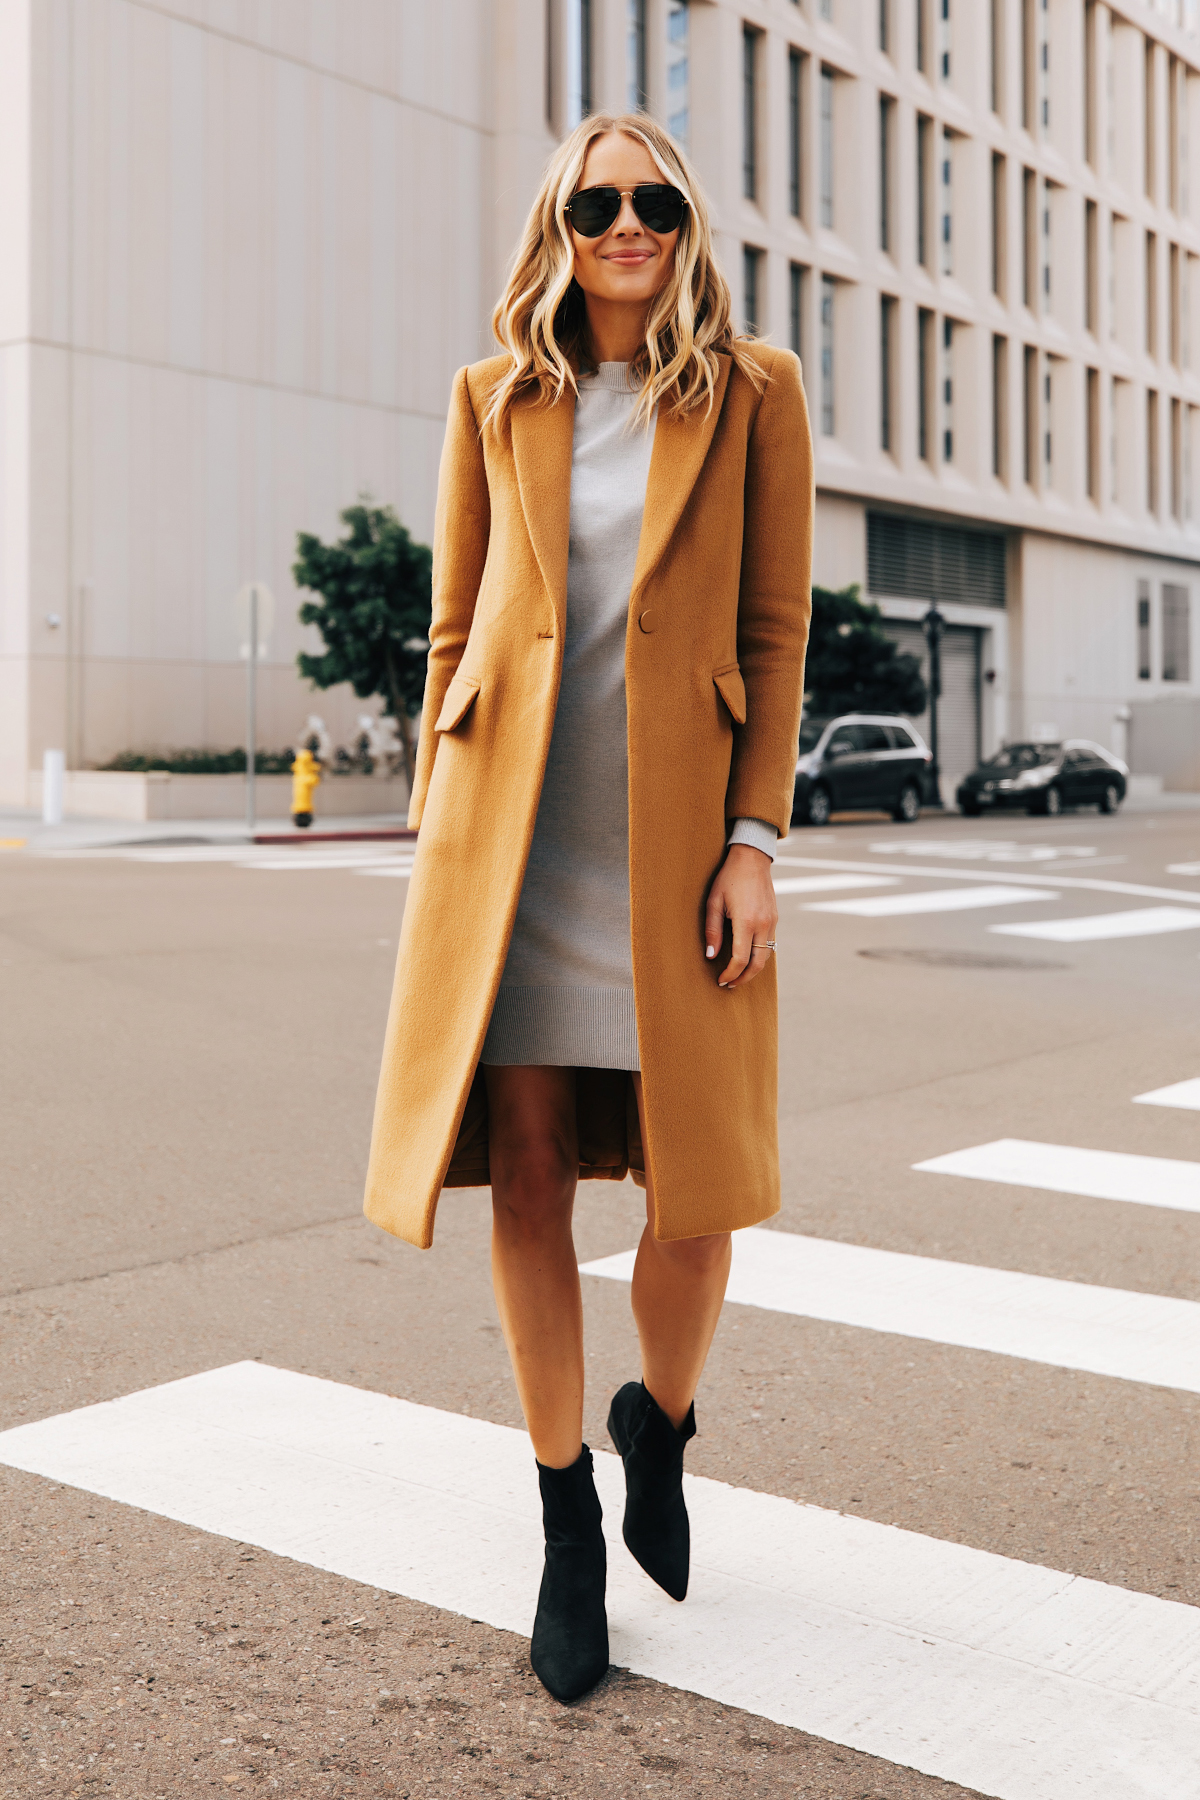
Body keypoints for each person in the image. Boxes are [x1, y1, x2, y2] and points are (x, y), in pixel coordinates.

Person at [364, 112, 813, 1703]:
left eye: (656, 200)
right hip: (519, 842)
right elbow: (447, 627)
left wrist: (756, 839)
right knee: (535, 1173)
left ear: (688, 224)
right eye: (599, 200)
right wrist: (441, 829)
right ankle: (565, 1514)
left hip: (681, 847)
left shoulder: (757, 395)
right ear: (560, 225)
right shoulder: (499, 398)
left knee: (695, 1200)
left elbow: (774, 634)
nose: (630, 223)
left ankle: (657, 1428)